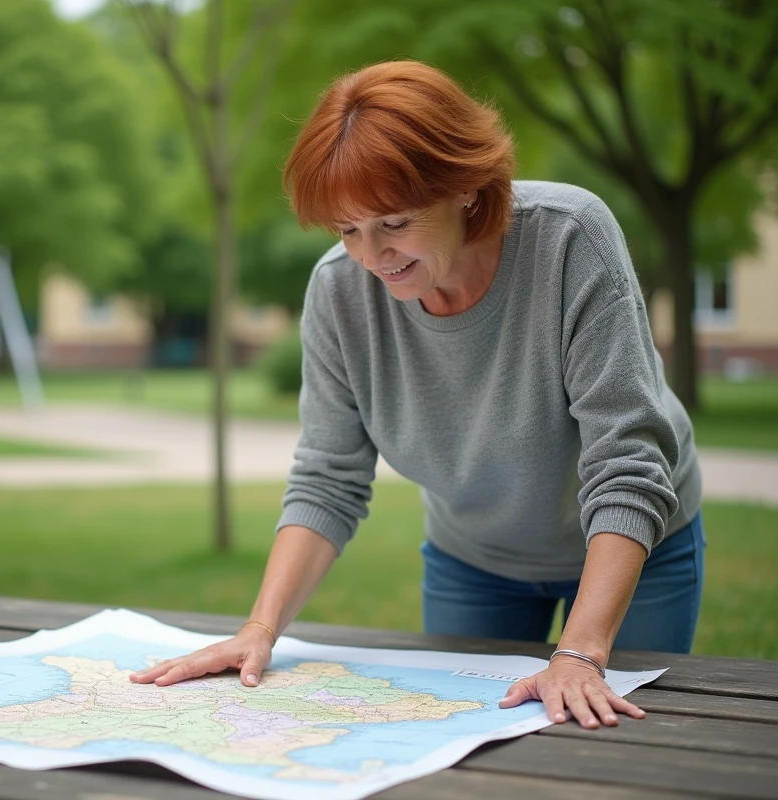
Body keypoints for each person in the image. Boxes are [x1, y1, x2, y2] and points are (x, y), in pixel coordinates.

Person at [131, 60, 703, 731]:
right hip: (474, 561)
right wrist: (260, 629)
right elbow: (328, 477)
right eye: (347, 230)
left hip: (631, 548)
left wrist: (579, 652)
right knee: (470, 746)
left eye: (393, 223)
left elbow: (627, 461)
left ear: (462, 187)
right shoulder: (339, 292)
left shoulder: (570, 238)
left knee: (616, 745)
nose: (371, 257)